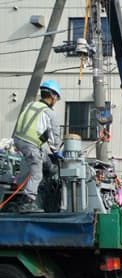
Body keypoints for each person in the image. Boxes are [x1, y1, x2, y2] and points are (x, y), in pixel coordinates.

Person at [13, 80, 63, 213]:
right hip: (29, 144)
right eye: (56, 98)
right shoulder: (49, 113)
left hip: (18, 140)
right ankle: (27, 202)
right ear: (53, 96)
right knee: (37, 174)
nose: (55, 101)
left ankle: (49, 168)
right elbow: (54, 136)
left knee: (41, 152)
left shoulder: (30, 105)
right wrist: (57, 151)